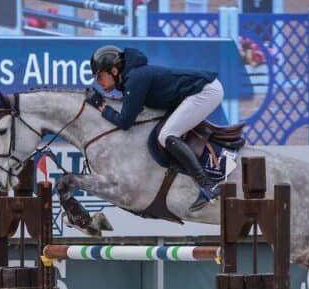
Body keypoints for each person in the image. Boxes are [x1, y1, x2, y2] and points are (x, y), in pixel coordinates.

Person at [85, 45, 225, 211]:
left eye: (100, 76)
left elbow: (124, 122)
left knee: (166, 135)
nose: (98, 82)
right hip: (200, 90)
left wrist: (101, 106)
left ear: (114, 71)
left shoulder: (135, 78)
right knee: (166, 133)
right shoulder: (132, 77)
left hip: (206, 91)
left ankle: (208, 185)